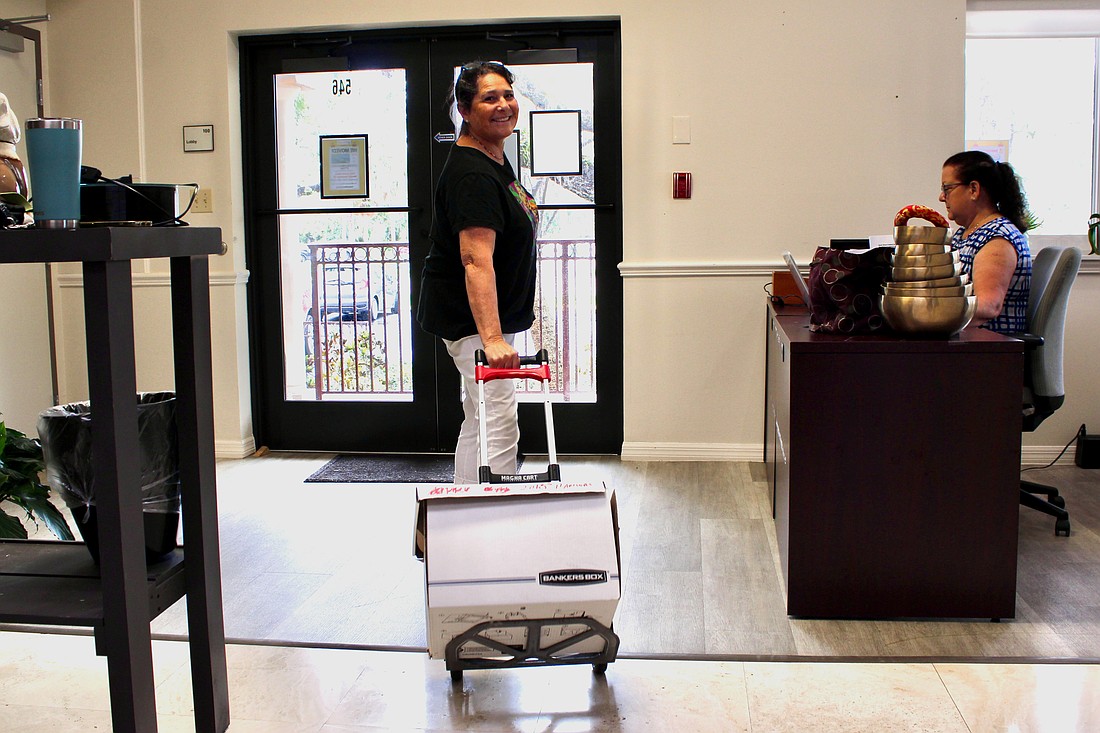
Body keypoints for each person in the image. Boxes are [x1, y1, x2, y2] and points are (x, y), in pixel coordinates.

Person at [416, 61, 539, 484]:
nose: (503, 105)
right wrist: (491, 338)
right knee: (499, 420)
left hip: (486, 319)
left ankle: (458, 517)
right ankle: (494, 519)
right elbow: (474, 259)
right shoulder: (471, 174)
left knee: (481, 416)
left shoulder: (492, 159)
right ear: (466, 110)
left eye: (507, 95)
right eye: (490, 97)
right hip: (473, 322)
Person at [939, 150, 1033, 333]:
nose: (942, 197)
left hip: (988, 349)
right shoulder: (965, 234)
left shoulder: (998, 238)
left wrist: (927, 315)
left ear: (973, 190)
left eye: (947, 189)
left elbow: (988, 306)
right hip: (967, 343)